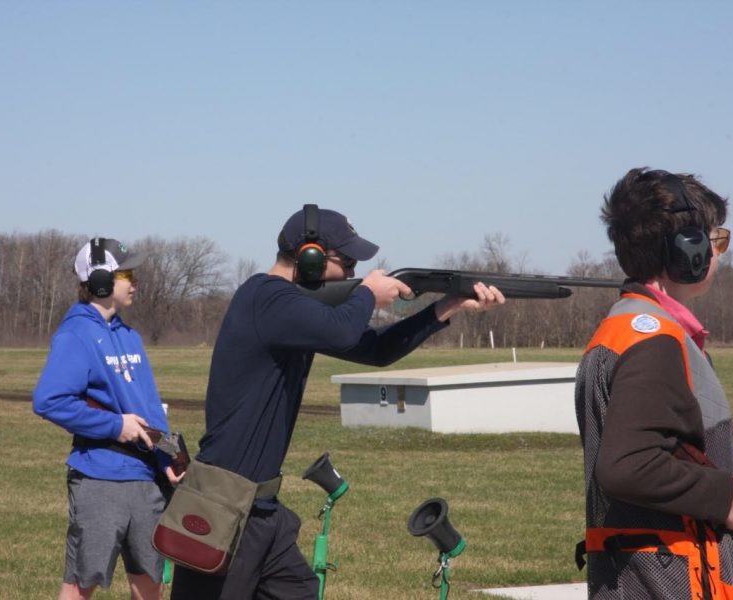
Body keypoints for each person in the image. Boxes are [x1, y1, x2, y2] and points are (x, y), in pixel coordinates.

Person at [170, 205, 506, 599]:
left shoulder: (291, 309)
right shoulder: (265, 297)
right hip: (223, 505)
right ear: (309, 256)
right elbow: (344, 330)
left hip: (261, 508)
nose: (351, 272)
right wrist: (368, 294)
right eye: (345, 262)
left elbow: (376, 349)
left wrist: (445, 308)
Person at [575, 168, 733, 599]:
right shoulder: (656, 342)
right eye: (715, 240)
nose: (719, 252)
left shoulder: (627, 330)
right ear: (690, 251)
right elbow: (627, 466)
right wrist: (729, 496)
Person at [33, 237, 181, 600]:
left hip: (145, 480)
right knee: (82, 582)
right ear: (99, 282)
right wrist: (116, 426)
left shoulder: (130, 336)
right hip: (100, 477)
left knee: (151, 583)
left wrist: (166, 458)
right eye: (126, 274)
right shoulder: (76, 334)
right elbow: (49, 400)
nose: (135, 282)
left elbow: (147, 408)